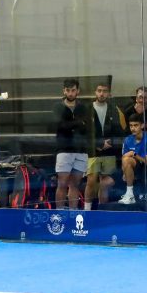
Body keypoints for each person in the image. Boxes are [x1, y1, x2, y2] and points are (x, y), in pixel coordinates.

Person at [85, 80, 127, 208]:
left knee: (104, 183)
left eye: (104, 91)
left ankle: (102, 209)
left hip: (109, 151)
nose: (102, 94)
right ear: (95, 92)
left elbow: (119, 131)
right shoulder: (87, 109)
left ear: (108, 93)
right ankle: (86, 210)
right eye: (99, 91)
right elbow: (85, 132)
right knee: (91, 181)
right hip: (93, 151)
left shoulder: (114, 109)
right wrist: (98, 144)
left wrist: (110, 143)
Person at [52, 78, 91, 210]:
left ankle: (73, 213)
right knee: (62, 183)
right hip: (64, 149)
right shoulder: (58, 107)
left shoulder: (83, 107)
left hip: (80, 150)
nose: (70, 93)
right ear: (64, 91)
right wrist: (78, 123)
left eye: (73, 90)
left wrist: (71, 124)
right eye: (68, 90)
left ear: (77, 91)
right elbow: (60, 126)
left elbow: (86, 127)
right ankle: (60, 213)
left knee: (75, 185)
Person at [116, 113, 147, 204]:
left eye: (136, 125)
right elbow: (124, 157)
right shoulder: (127, 139)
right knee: (106, 182)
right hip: (132, 167)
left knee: (128, 159)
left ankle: (130, 194)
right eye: (131, 126)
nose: (133, 128)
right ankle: (129, 194)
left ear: (142, 126)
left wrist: (134, 154)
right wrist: (124, 172)